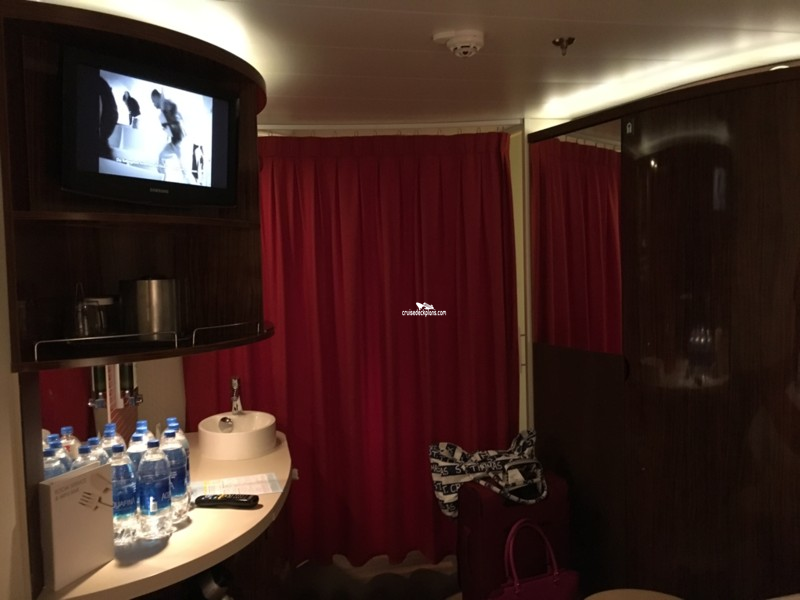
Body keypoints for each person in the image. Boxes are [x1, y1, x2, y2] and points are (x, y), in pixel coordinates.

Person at [151, 89, 188, 181]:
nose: (153, 104)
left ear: (156, 97)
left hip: (178, 141)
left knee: (184, 168)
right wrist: (167, 128)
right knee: (161, 156)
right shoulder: (163, 111)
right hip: (174, 142)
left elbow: (174, 111)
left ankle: (190, 182)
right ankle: (161, 179)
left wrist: (170, 124)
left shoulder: (166, 105)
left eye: (153, 101)